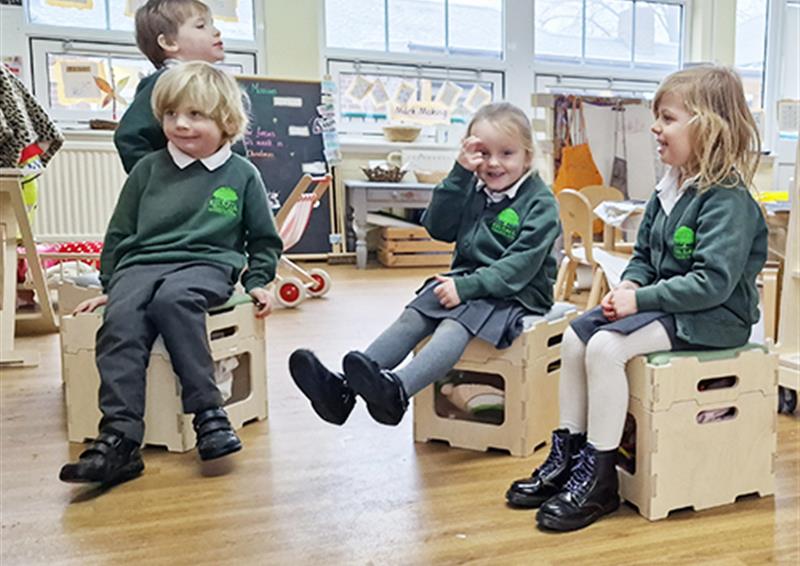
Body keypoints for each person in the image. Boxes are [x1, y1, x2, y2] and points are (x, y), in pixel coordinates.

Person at [505, 65, 768, 532]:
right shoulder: (669, 188)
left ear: (707, 127)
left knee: (608, 347)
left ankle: (600, 480)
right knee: (576, 338)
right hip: (672, 306)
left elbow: (712, 284)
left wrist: (642, 299)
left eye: (667, 118)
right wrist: (631, 284)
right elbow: (645, 255)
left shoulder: (727, 199)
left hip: (714, 317)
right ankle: (570, 452)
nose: (655, 128)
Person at [59, 61, 283, 487]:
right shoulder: (147, 169)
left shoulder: (242, 174)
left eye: (195, 115)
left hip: (207, 264)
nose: (180, 124)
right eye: (170, 114)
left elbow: (264, 239)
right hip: (141, 264)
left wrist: (258, 282)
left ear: (226, 121)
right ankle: (120, 439)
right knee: (121, 321)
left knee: (174, 300)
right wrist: (112, 286)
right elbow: (120, 231)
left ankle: (209, 414)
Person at [289, 102, 560, 429]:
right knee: (415, 313)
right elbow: (438, 227)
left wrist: (466, 287)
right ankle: (343, 391)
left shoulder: (540, 202)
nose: (493, 163)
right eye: (483, 153)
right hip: (467, 280)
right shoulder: (473, 188)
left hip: (519, 292)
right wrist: (459, 174)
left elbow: (521, 265)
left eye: (506, 153)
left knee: (454, 325)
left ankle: (399, 392)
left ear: (527, 157)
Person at [114, 0, 226, 173]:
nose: (216, 31)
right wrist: (155, 179)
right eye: (201, 26)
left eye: (212, 24)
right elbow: (130, 136)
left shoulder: (212, 84)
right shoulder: (166, 81)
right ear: (168, 42)